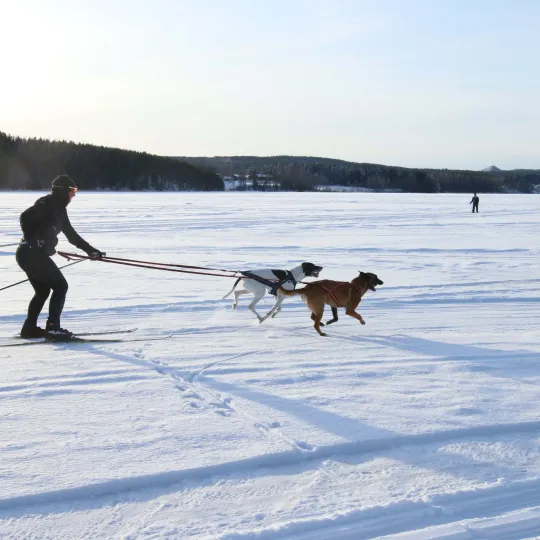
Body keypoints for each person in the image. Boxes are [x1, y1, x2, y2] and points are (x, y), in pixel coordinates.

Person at [16, 175, 103, 341]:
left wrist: (91, 251)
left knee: (43, 291)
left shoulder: (61, 211)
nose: (74, 195)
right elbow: (25, 218)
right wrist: (33, 239)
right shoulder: (47, 203)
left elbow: (71, 236)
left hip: (31, 255)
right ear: (64, 191)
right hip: (30, 253)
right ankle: (53, 328)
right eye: (72, 191)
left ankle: (29, 328)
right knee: (60, 286)